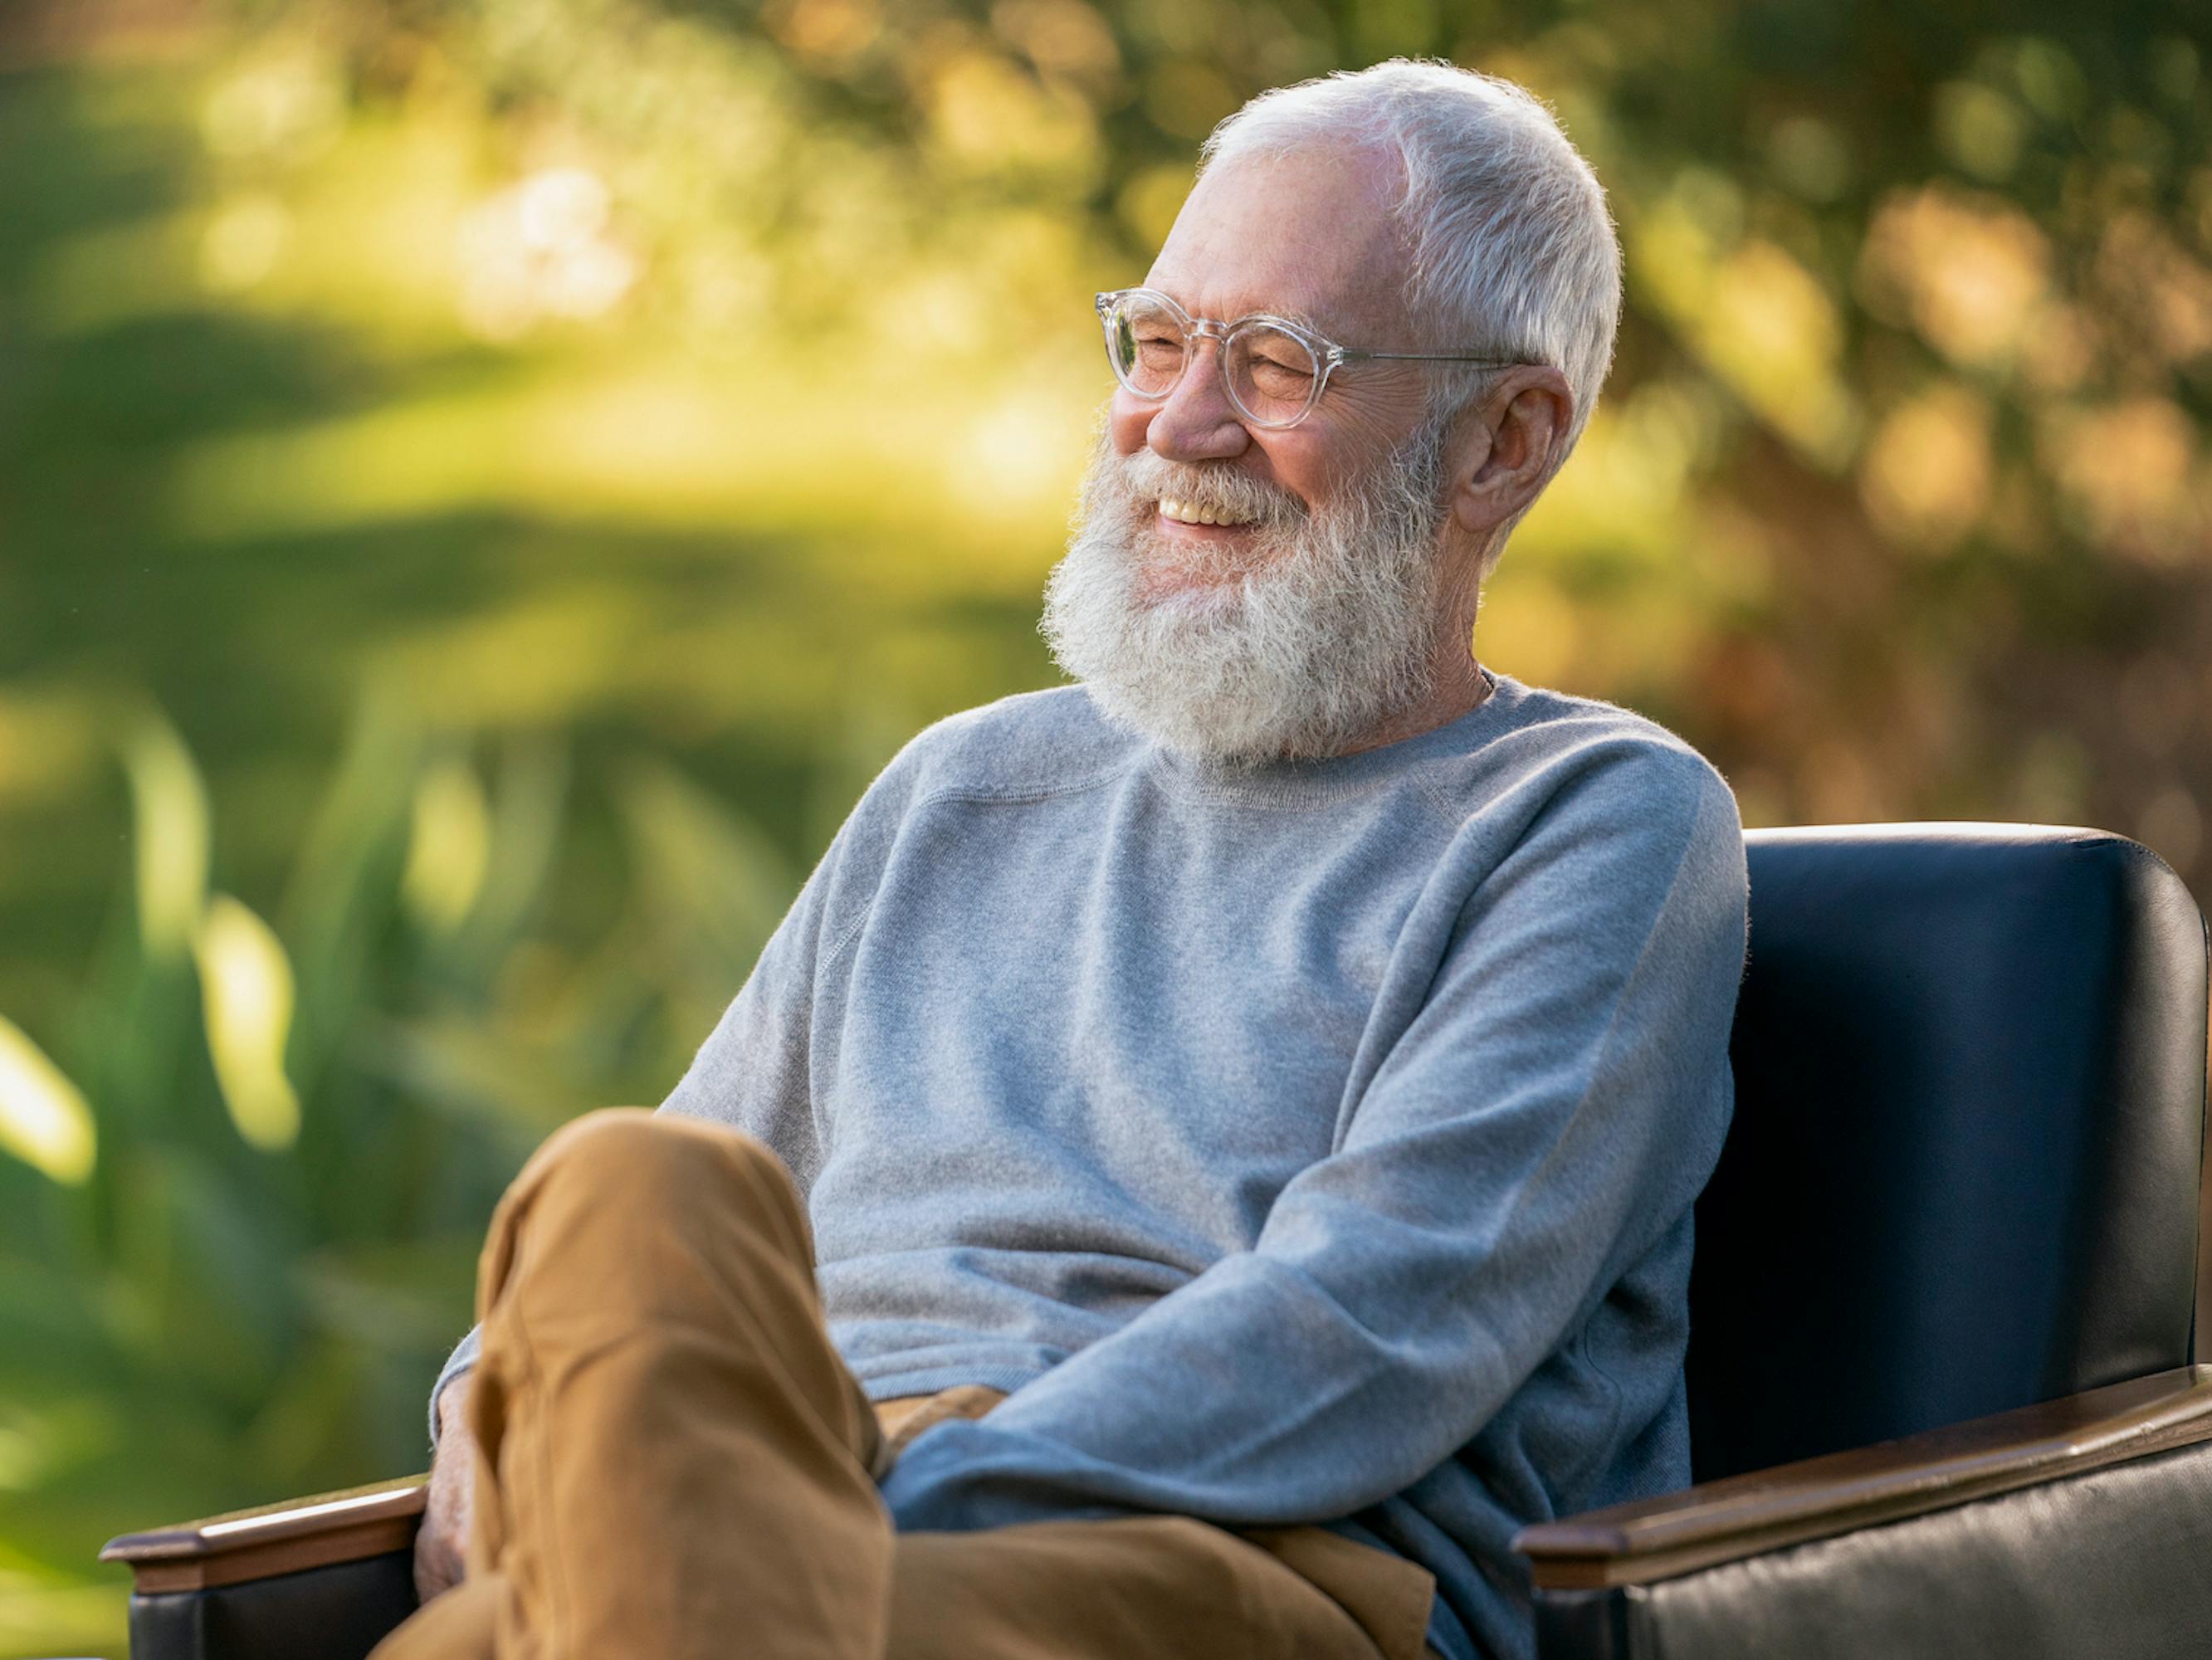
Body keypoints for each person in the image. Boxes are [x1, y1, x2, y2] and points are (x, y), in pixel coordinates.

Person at [377, 56, 1749, 1660]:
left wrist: (828, 1516)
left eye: (1276, 364)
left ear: (1502, 443)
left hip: (1236, 1552)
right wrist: (499, 1413)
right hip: (780, 1525)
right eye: (1157, 341)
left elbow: (1373, 1334)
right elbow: (640, 1252)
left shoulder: (1592, 822)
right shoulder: (956, 789)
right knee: (626, 1183)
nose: (1176, 423)